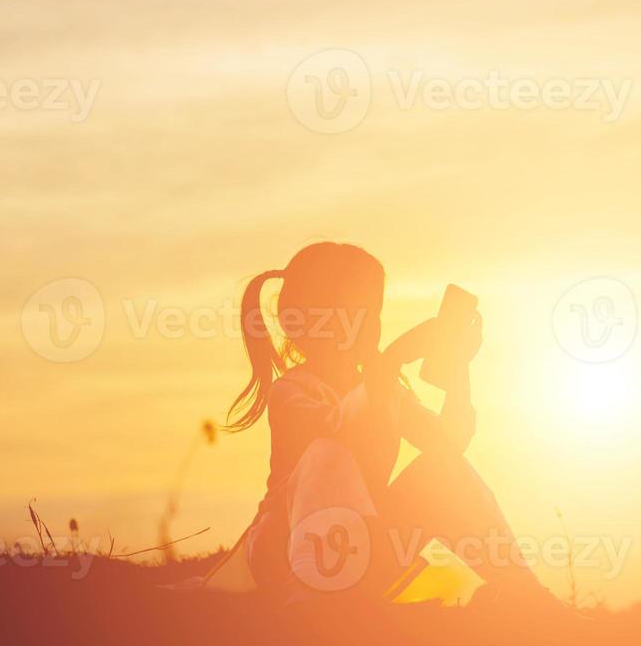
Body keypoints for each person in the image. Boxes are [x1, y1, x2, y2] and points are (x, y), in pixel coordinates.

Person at [202, 242, 548, 604]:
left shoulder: (386, 391)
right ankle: (308, 602)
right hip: (283, 553)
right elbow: (338, 434)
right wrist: (392, 361)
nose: (368, 325)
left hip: (361, 552)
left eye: (373, 312)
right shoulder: (292, 390)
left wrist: (457, 366)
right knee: (327, 452)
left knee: (445, 468)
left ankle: (527, 597)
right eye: (352, 311)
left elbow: (450, 442)